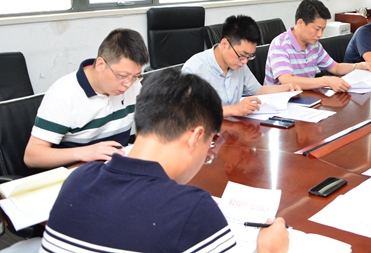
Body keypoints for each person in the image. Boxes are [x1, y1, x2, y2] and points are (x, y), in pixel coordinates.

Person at [41, 69, 288, 252]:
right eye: (211, 142)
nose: (208, 154)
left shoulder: (77, 180)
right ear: (196, 137)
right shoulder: (192, 209)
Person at [24, 29, 149, 169]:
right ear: (100, 64)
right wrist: (84, 152)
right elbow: (32, 156)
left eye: (135, 76)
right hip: (77, 173)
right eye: (122, 76)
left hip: (116, 168)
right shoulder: (63, 94)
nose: (128, 84)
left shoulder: (134, 86)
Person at [183, 15, 300, 117]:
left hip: (233, 128)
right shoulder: (195, 69)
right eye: (242, 55)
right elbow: (190, 112)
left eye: (250, 56)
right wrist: (234, 109)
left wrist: (288, 88)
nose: (245, 62)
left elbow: (257, 90)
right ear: (224, 44)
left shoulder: (238, 64)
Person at [264, 0, 371, 92]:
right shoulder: (280, 45)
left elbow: (336, 68)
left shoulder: (314, 45)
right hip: (279, 102)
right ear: (300, 23)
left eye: (323, 29)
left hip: (305, 98)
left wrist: (359, 66)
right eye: (317, 29)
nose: (320, 35)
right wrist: (326, 81)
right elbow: (287, 80)